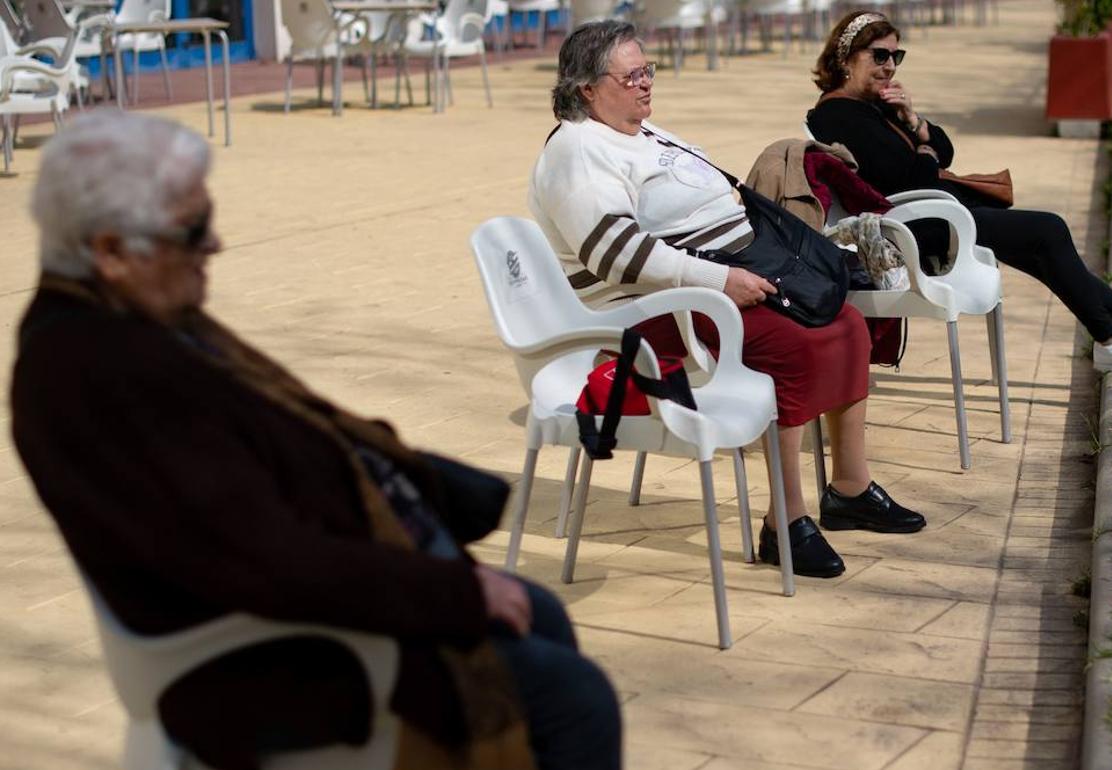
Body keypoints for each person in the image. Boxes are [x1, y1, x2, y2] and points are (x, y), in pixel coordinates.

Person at [9, 111, 620, 770]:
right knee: (576, 699)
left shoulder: (126, 320)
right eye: (192, 230)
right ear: (109, 251)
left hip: (293, 593)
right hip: (259, 656)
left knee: (541, 614)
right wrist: (453, 595)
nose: (213, 244)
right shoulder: (101, 374)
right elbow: (263, 557)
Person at [529, 21, 928, 581]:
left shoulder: (639, 132)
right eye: (632, 75)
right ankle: (784, 522)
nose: (647, 84)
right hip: (651, 310)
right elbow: (616, 256)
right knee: (795, 344)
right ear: (588, 88)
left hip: (721, 275)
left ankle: (849, 488)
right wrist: (720, 281)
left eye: (649, 71)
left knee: (846, 322)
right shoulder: (578, 150)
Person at [806, 11, 1112, 372]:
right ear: (846, 58)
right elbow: (917, 178)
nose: (890, 66)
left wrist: (915, 121)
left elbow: (943, 150)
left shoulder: (875, 104)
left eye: (897, 56)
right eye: (880, 55)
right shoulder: (838, 114)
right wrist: (925, 150)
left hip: (936, 212)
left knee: (1044, 249)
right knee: (1048, 230)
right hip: (912, 227)